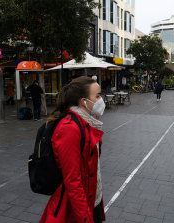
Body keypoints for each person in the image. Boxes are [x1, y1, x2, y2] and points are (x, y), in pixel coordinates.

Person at [40, 76, 106, 223]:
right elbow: (73, 181)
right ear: (84, 101)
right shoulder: (70, 129)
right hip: (77, 209)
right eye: (97, 96)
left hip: (92, 200)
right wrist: (85, 219)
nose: (101, 99)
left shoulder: (87, 122)